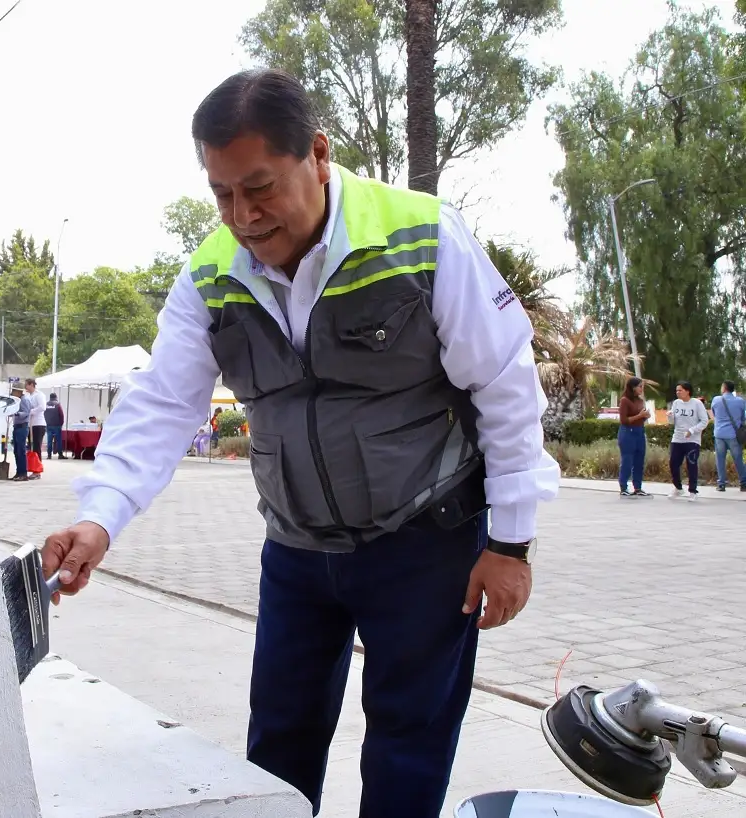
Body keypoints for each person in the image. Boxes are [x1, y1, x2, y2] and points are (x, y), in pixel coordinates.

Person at [40, 69, 559, 817]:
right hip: (297, 551)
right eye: (221, 193)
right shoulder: (211, 274)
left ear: (316, 154)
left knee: (407, 751)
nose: (242, 216)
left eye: (260, 188)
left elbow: (505, 385)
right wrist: (100, 515)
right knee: (277, 745)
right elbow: (161, 402)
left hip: (426, 544)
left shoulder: (422, 238)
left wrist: (510, 545)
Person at [667, 381, 708, 500]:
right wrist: (670, 416)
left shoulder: (697, 404)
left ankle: (693, 491)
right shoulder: (676, 403)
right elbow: (672, 422)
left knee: (691, 464)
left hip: (692, 440)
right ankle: (678, 488)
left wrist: (692, 430)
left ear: (687, 391)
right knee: (673, 464)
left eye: (680, 390)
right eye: (676, 391)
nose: (678, 393)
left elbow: (704, 421)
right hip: (677, 438)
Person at [709, 379, 746, 492]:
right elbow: (743, 418)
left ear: (724, 388)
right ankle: (744, 483)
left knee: (720, 459)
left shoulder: (716, 400)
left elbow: (714, 414)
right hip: (734, 435)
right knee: (738, 459)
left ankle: (721, 484)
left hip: (719, 434)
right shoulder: (740, 401)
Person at [617, 377, 650, 497]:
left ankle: (638, 487)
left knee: (639, 460)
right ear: (633, 387)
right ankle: (624, 487)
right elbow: (624, 420)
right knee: (627, 460)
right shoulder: (625, 400)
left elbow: (639, 417)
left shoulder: (640, 401)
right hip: (628, 433)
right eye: (640, 386)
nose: (642, 389)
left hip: (639, 431)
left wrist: (645, 416)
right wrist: (639, 415)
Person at [10, 385, 30, 482]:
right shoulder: (17, 400)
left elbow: (26, 412)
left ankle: (23, 473)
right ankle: (19, 472)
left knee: (21, 451)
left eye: (14, 391)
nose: (12, 393)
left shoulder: (24, 400)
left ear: (19, 392)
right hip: (17, 426)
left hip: (22, 427)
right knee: (16, 451)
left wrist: (16, 413)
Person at [25, 377, 47, 461]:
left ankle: (37, 469)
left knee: (36, 447)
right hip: (31, 424)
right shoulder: (29, 396)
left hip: (38, 424)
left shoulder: (39, 394)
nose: (25, 387)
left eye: (26, 385)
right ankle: (33, 466)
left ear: (31, 385)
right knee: (31, 447)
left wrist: (31, 411)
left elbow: (42, 407)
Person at [44, 392, 65, 458]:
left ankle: (49, 455)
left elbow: (44, 414)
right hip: (57, 425)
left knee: (49, 440)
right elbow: (61, 415)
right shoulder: (58, 404)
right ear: (56, 397)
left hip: (48, 425)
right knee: (58, 440)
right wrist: (61, 423)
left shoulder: (46, 404)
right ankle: (60, 454)